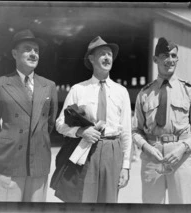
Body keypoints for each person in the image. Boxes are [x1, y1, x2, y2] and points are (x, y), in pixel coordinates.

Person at [55, 36, 132, 203]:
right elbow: (60, 124)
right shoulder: (78, 89)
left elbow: (126, 132)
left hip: (113, 151)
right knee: (84, 200)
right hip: (86, 150)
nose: (107, 58)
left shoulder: (121, 92)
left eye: (109, 54)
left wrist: (125, 166)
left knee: (109, 202)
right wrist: (81, 132)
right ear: (91, 59)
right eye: (102, 54)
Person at [0, 29, 58, 202]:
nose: (33, 54)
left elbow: (49, 123)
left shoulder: (49, 86)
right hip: (9, 161)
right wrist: (7, 143)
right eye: (27, 49)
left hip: (39, 162)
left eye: (36, 50)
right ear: (14, 53)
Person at [132, 37, 191, 204]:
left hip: (181, 157)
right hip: (152, 157)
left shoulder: (189, 91)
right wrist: (147, 148)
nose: (170, 60)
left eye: (174, 56)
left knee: (183, 205)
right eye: (165, 55)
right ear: (155, 59)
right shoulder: (144, 94)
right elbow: (136, 131)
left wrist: (182, 148)